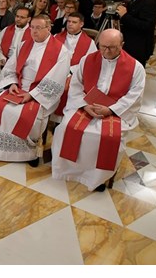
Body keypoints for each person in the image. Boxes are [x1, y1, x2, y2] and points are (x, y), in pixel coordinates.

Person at [51, 29, 145, 191]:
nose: (106, 51)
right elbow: (76, 85)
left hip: (115, 112)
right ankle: (69, 171)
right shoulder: (87, 60)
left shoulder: (135, 67)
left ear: (122, 45)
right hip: (86, 105)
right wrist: (84, 105)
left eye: (112, 47)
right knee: (66, 128)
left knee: (106, 137)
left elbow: (135, 95)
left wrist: (111, 109)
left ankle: (98, 178)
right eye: (103, 47)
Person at [0, 15, 71, 166]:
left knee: (23, 115)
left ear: (49, 28)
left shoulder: (61, 51)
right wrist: (11, 83)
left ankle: (28, 152)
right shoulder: (24, 44)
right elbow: (11, 67)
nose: (34, 31)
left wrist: (31, 95)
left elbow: (57, 79)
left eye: (39, 28)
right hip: (18, 87)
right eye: (32, 27)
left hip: (40, 93)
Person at [51, 12, 98, 121]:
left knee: (72, 87)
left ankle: (64, 120)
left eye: (74, 22)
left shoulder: (89, 42)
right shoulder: (56, 37)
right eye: (69, 21)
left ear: (81, 24)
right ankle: (51, 117)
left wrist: (71, 72)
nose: (70, 24)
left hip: (76, 74)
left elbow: (90, 63)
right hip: (56, 71)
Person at [116, 0, 156, 67]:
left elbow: (146, 25)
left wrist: (125, 16)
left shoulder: (149, 1)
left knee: (134, 76)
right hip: (129, 44)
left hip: (138, 47)